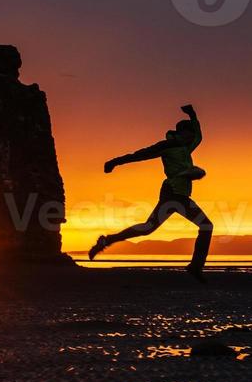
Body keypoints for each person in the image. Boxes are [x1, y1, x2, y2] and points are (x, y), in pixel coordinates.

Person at [88, 104, 213, 280]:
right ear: (182, 133)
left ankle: (106, 241)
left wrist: (193, 115)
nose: (193, 138)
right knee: (205, 226)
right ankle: (195, 267)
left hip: (181, 195)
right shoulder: (166, 146)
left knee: (148, 228)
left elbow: (199, 136)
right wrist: (115, 162)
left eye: (193, 135)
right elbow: (140, 155)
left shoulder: (186, 147)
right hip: (172, 194)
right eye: (190, 134)